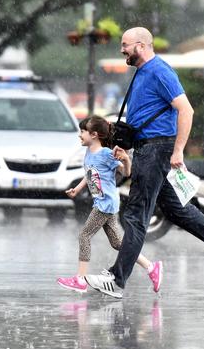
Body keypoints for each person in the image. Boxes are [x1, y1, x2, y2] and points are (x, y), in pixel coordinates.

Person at [85, 27, 204, 299]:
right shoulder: (142, 73)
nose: (122, 50)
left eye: (125, 45)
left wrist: (178, 151)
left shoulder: (160, 70)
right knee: (178, 211)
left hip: (157, 149)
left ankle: (117, 279)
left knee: (135, 215)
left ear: (141, 45)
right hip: (147, 148)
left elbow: (186, 109)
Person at [57, 115, 162, 294]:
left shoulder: (106, 154)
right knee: (118, 243)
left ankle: (80, 280)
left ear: (94, 134)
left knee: (84, 236)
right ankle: (151, 267)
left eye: (83, 131)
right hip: (103, 202)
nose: (79, 135)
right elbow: (89, 173)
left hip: (105, 204)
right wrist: (78, 188)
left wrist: (127, 160)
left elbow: (126, 172)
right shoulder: (89, 152)